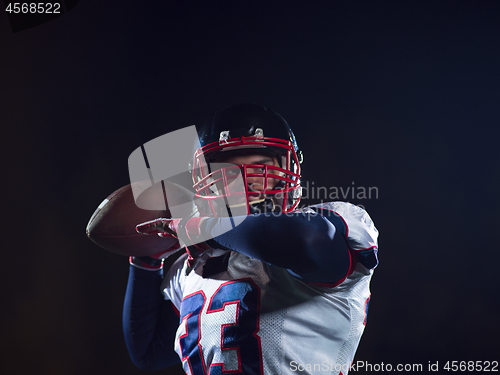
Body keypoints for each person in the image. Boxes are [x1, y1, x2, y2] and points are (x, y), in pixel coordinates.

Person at [122, 104, 379, 374]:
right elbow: (147, 351)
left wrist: (199, 229)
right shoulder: (194, 265)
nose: (247, 180)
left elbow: (300, 242)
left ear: (290, 170)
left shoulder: (332, 222)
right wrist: (146, 259)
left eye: (261, 166)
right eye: (228, 170)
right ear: (204, 180)